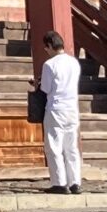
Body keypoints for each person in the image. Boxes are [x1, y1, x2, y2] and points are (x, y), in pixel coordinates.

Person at [37, 30, 85, 193]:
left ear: (50, 45)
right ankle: (75, 181)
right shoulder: (74, 62)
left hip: (56, 107)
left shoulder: (50, 64)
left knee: (54, 146)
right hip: (72, 107)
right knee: (71, 147)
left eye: (46, 47)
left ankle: (59, 182)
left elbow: (46, 88)